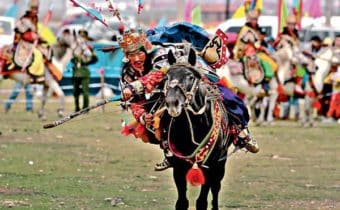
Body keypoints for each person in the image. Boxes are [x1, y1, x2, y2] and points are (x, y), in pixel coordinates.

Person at [121, 29, 259, 156]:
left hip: (189, 76)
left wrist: (133, 88)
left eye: (139, 53)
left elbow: (159, 74)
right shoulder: (127, 73)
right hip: (162, 94)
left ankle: (241, 133)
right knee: (152, 127)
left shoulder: (160, 54)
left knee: (228, 97)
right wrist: (143, 117)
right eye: (131, 55)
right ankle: (169, 151)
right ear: (127, 56)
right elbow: (134, 103)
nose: (137, 59)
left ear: (146, 50)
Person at [71, 29, 97, 112]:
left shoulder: (88, 48)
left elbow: (95, 59)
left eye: (83, 37)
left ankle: (85, 109)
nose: (82, 38)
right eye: (80, 37)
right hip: (76, 72)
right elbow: (72, 59)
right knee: (75, 92)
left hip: (84, 71)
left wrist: (87, 60)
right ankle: (77, 108)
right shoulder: (75, 47)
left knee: (85, 92)